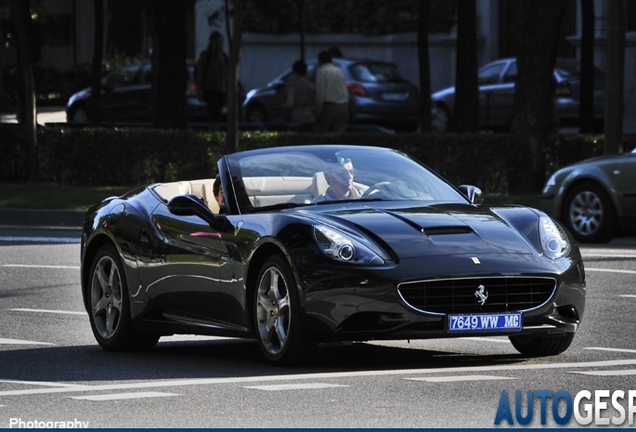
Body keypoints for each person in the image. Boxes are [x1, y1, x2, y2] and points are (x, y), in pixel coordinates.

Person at [196, 31, 228, 129]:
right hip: (210, 89)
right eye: (216, 42)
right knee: (213, 114)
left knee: (218, 114)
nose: (218, 44)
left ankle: (215, 130)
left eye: (220, 42)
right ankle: (213, 131)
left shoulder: (224, 57)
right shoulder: (206, 57)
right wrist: (200, 89)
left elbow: (226, 73)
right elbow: (200, 73)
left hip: (221, 90)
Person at [314, 50, 349, 133]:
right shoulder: (339, 71)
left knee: (322, 134)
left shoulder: (322, 71)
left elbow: (320, 93)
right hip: (343, 106)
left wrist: (318, 111)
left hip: (330, 107)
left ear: (319, 61)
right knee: (339, 136)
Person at [283, 60, 316, 131]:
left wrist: (284, 106)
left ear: (294, 72)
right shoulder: (312, 85)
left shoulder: (293, 86)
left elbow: (290, 103)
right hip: (310, 118)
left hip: (297, 119)